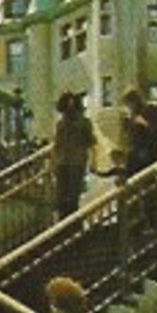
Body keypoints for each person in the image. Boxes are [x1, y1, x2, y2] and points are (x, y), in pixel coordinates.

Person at [119, 86, 157, 227]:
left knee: (149, 189)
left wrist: (143, 123)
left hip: (146, 155)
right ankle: (136, 220)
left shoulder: (147, 112)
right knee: (132, 189)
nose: (128, 106)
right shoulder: (130, 117)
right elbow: (128, 137)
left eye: (129, 103)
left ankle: (154, 220)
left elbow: (155, 132)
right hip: (134, 156)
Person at [52, 91, 98, 220]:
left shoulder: (80, 123)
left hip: (73, 161)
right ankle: (66, 224)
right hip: (68, 161)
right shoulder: (63, 124)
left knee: (70, 196)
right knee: (63, 197)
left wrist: (94, 161)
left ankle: (70, 223)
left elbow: (91, 143)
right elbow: (57, 145)